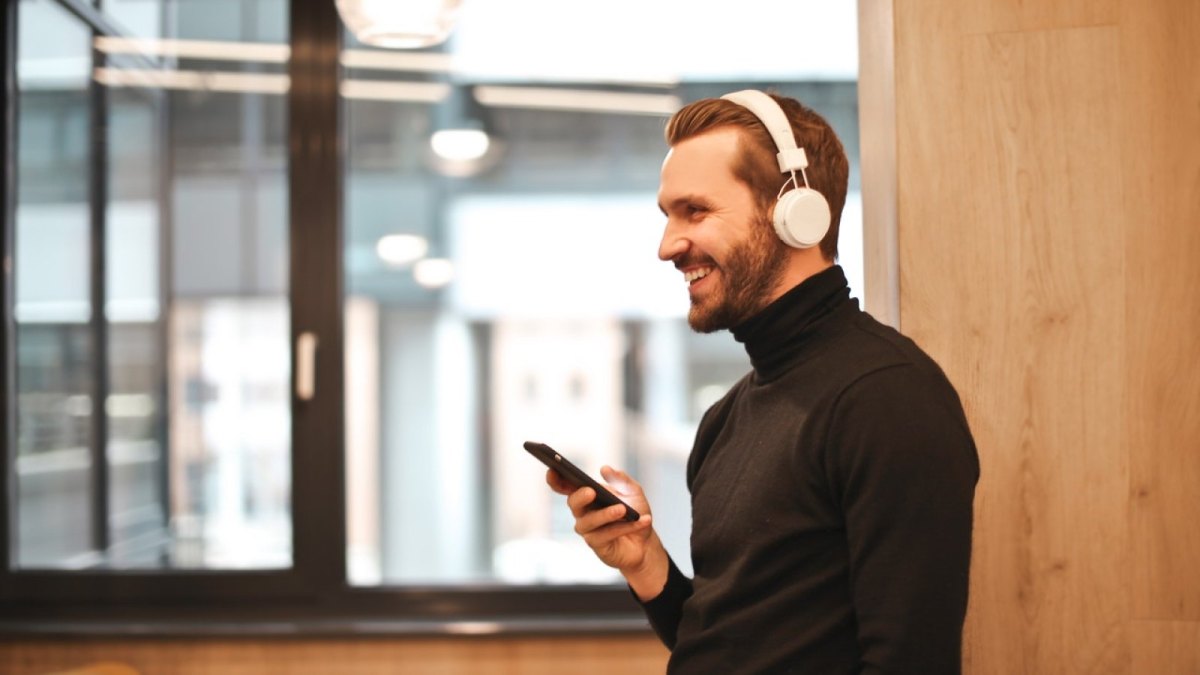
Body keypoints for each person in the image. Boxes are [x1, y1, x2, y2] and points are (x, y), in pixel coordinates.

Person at [545, 90, 980, 673]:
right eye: (668, 215)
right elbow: (727, 646)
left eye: (695, 211)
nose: (667, 245)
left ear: (795, 213)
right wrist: (644, 561)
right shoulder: (726, 418)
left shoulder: (886, 397)